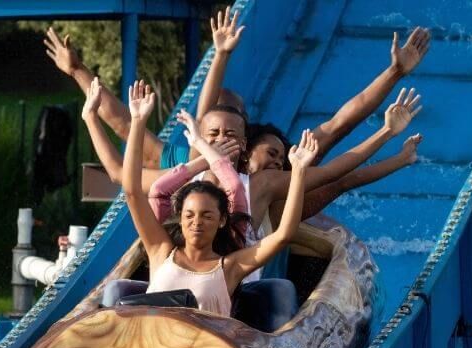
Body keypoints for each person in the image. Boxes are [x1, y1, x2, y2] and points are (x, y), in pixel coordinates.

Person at [43, 6, 430, 170]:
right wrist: (77, 70)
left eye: (231, 128)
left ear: (245, 138)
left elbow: (343, 120)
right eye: (212, 130)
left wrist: (394, 73)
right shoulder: (183, 161)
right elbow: (123, 126)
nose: (221, 137)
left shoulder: (273, 162)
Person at [82, 79, 319, 319]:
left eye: (207, 215)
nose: (197, 222)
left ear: (222, 221)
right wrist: (138, 122)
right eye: (189, 215)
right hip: (155, 345)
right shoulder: (160, 250)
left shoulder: (230, 266)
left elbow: (282, 234)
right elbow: (133, 190)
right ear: (180, 219)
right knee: (116, 293)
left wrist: (298, 171)